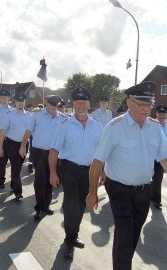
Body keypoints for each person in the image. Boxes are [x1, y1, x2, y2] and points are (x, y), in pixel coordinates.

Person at [86, 81, 167, 270]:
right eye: (142, 104)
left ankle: (122, 262)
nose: (146, 109)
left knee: (133, 235)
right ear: (130, 103)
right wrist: (92, 192)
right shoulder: (114, 127)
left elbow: (165, 158)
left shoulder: (154, 127)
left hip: (144, 190)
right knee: (125, 234)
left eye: (149, 104)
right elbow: (97, 162)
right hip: (119, 189)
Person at [49, 87, 103, 259]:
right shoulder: (64, 124)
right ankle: (70, 241)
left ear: (89, 104)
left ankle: (73, 233)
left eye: (84, 102)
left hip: (89, 171)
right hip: (69, 168)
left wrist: (103, 171)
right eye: (77, 102)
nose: (80, 105)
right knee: (72, 203)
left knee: (81, 204)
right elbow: (54, 151)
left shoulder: (98, 126)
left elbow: (102, 152)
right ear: (73, 104)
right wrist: (52, 173)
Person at [20, 95, 65, 220]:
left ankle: (46, 205)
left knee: (51, 180)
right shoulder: (37, 115)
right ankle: (39, 207)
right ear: (46, 103)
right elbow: (28, 130)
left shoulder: (63, 118)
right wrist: (23, 145)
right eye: (51, 103)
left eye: (56, 104)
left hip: (55, 153)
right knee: (40, 180)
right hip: (39, 152)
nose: (53, 106)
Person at [0, 93, 32, 199]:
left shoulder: (29, 116)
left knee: (18, 166)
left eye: (22, 102)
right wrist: (0, 147)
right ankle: (18, 192)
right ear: (15, 102)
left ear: (24, 103)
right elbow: (3, 132)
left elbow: (32, 132)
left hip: (24, 144)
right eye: (18, 102)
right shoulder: (9, 114)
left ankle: (14, 184)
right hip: (11, 144)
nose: (20, 104)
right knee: (16, 166)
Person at [25, 104, 35, 173]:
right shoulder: (26, 115)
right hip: (30, 135)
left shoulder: (35, 115)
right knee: (31, 150)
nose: (30, 109)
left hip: (36, 135)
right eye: (29, 108)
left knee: (34, 150)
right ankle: (30, 166)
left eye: (31, 108)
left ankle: (34, 164)